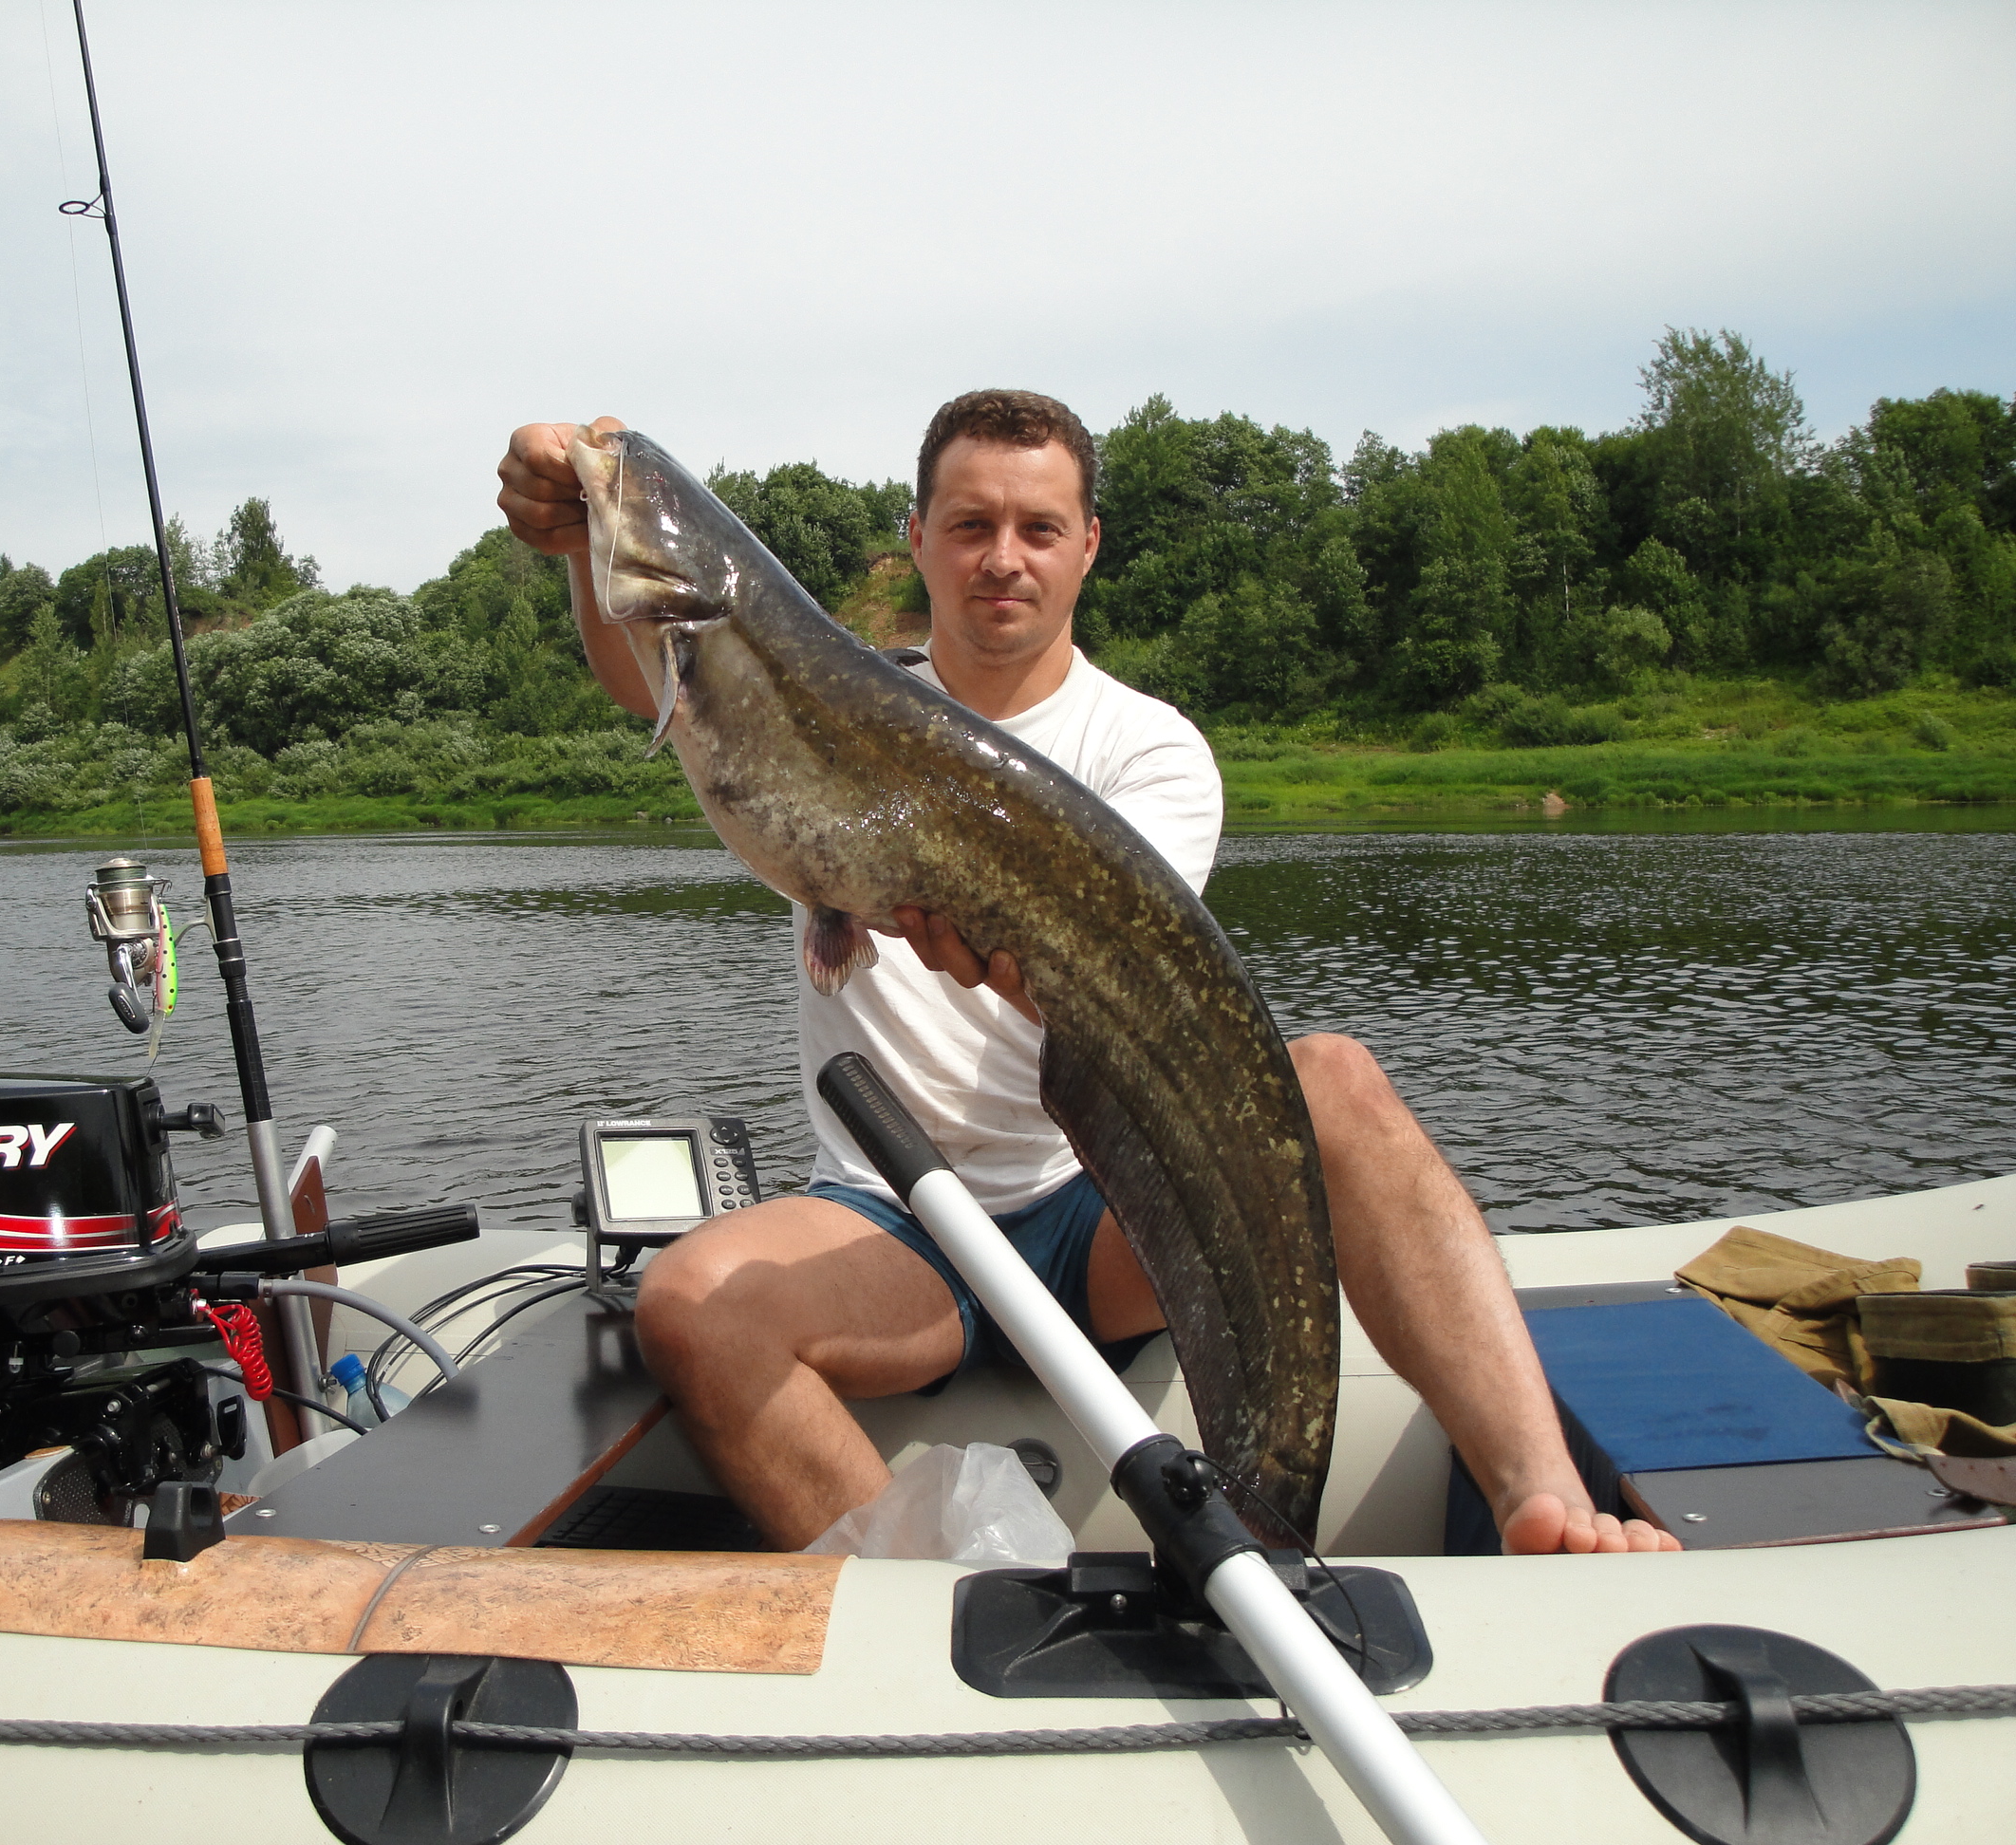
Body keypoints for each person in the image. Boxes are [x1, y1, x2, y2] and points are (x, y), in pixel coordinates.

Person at [496, 390, 1676, 1557]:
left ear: (1088, 545)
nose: (1003, 558)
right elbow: (663, 662)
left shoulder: (1150, 747)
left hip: (1098, 1207)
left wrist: (1009, 946)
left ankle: (1544, 1502)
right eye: (970, 525)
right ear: (917, 538)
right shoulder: (825, 690)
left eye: (1039, 528)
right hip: (887, 1219)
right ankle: (931, 1607)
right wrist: (580, 532)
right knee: (690, 1307)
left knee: (1337, 1083)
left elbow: (1119, 975)